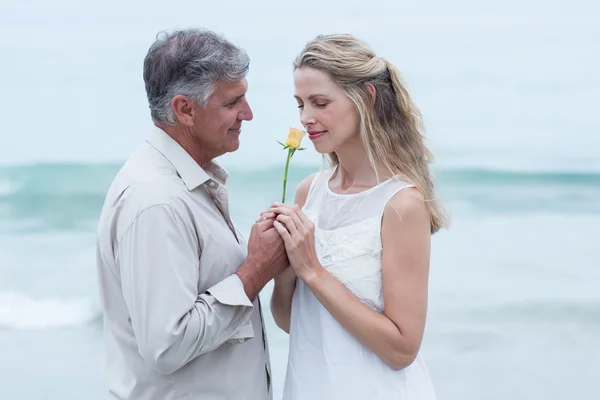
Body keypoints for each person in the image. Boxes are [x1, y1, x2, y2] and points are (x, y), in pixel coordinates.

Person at [95, 28, 287, 400]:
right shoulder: (156, 201)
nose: (248, 114)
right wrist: (255, 271)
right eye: (233, 102)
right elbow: (168, 345)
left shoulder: (183, 184)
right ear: (185, 109)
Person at [264, 34, 449, 399]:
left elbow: (402, 349)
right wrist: (284, 274)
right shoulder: (309, 192)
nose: (306, 119)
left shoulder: (401, 205)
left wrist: (313, 270)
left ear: (366, 97)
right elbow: (291, 321)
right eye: (300, 104)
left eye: (320, 103)